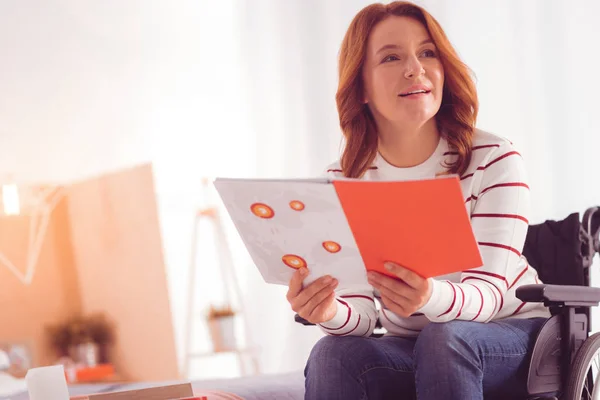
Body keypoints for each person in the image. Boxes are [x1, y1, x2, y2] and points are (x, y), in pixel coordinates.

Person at [285, 2, 551, 399]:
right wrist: (329, 312)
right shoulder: (344, 179)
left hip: (512, 334)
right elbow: (361, 314)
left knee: (445, 340)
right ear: (360, 87)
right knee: (332, 353)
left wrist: (429, 296)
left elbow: (488, 296)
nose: (415, 68)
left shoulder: (494, 159)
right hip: (419, 341)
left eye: (427, 53)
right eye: (392, 57)